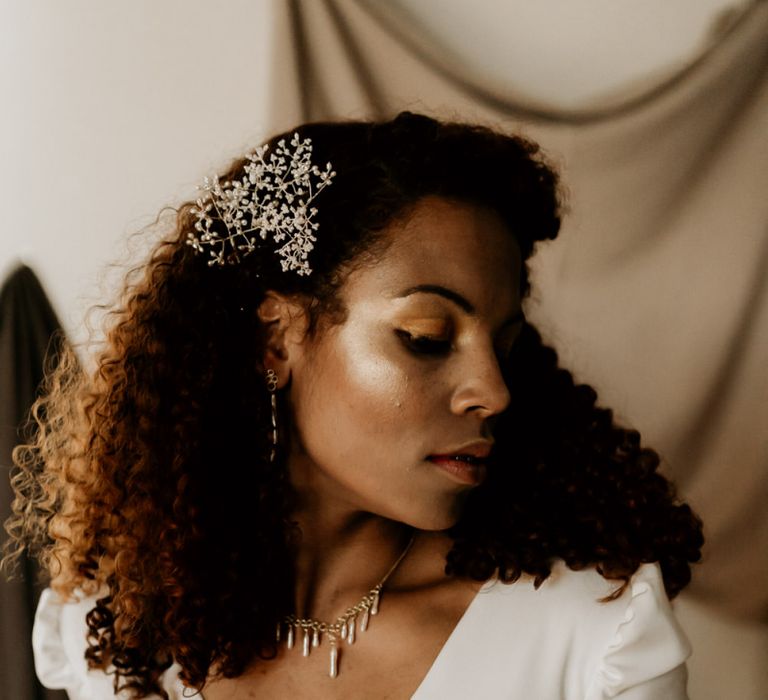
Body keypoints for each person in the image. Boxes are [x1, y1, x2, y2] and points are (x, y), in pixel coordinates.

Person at [4, 112, 703, 699]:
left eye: (506, 346)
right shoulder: (115, 627)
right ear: (276, 341)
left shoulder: (591, 637)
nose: (493, 392)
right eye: (427, 338)